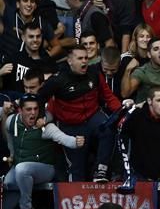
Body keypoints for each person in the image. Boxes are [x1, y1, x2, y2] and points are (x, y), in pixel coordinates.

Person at [37, 46, 123, 182]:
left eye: (86, 58)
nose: (84, 62)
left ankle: (101, 170)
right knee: (77, 168)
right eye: (80, 58)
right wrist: (40, 116)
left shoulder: (94, 73)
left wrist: (121, 113)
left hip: (93, 117)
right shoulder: (58, 80)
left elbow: (108, 96)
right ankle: (76, 199)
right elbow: (40, 97)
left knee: (108, 128)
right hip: (71, 126)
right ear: (70, 61)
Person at [3, 94, 82, 209]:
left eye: (35, 109)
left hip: (45, 168)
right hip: (20, 166)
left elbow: (64, 139)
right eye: (28, 109)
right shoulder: (11, 121)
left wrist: (76, 141)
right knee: (7, 182)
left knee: (22, 169)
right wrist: (12, 154)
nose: (33, 113)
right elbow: (9, 137)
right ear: (20, 111)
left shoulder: (46, 127)